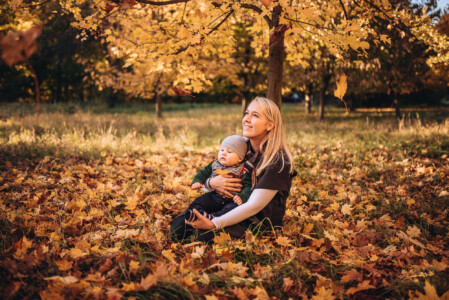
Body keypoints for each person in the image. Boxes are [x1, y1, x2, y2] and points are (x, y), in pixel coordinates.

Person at [170, 97, 296, 243]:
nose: (246, 119)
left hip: (257, 221)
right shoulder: (241, 148)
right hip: (226, 204)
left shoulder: (278, 161)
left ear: (269, 125)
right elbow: (211, 174)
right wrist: (212, 183)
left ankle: (212, 224)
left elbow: (254, 206)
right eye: (247, 113)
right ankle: (210, 220)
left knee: (203, 235)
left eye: (255, 115)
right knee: (178, 229)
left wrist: (215, 223)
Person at [185, 135, 252, 222]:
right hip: (215, 196)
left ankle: (212, 218)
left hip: (232, 200)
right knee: (201, 200)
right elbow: (203, 173)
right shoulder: (214, 164)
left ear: (240, 158)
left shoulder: (243, 170)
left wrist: (242, 196)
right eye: (222, 150)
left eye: (229, 152)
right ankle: (193, 213)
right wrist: (197, 181)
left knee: (231, 210)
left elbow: (248, 186)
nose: (223, 153)